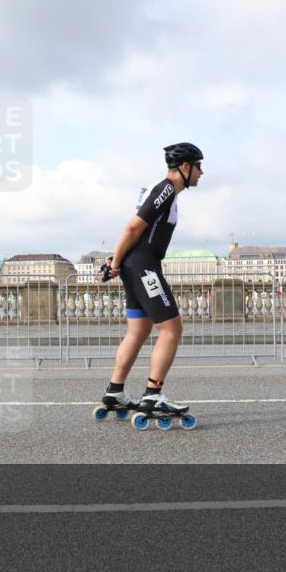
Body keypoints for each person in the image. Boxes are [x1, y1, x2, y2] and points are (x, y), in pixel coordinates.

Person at [98, 142, 204, 415]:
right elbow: (133, 227)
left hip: (137, 264)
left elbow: (137, 232)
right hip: (144, 266)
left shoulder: (167, 192)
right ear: (184, 167)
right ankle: (153, 395)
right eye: (198, 166)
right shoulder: (166, 189)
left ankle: (115, 391)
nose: (201, 172)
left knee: (138, 330)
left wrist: (116, 260)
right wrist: (116, 262)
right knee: (171, 329)